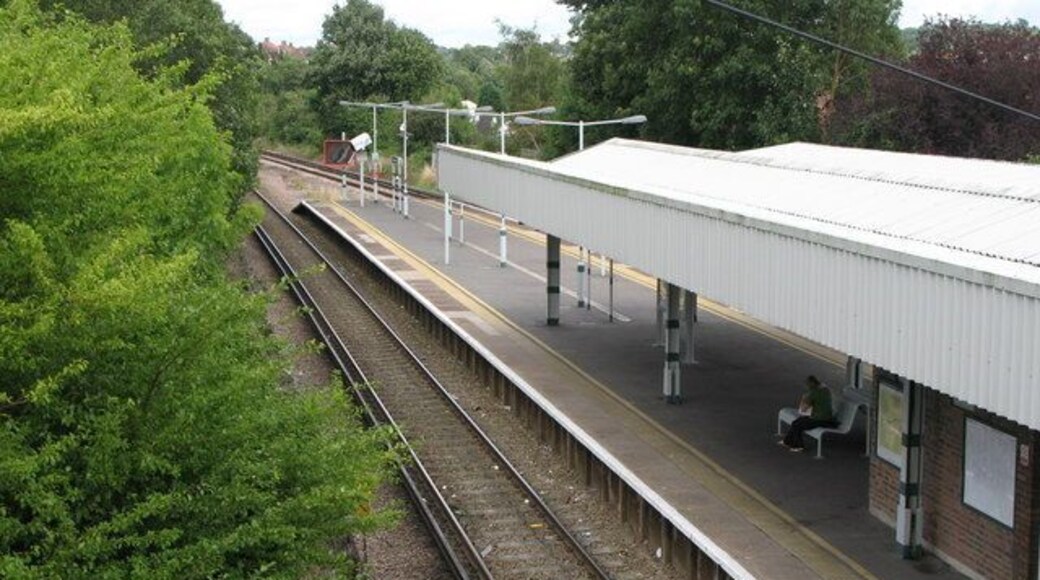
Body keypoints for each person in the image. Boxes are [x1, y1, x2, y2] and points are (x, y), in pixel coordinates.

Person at [781, 375, 838, 452]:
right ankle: (787, 441)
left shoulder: (813, 393)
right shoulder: (825, 390)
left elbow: (803, 409)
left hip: (819, 419)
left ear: (810, 385)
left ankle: (799, 446)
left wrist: (804, 398)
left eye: (807, 385)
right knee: (797, 421)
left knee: (798, 425)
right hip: (828, 419)